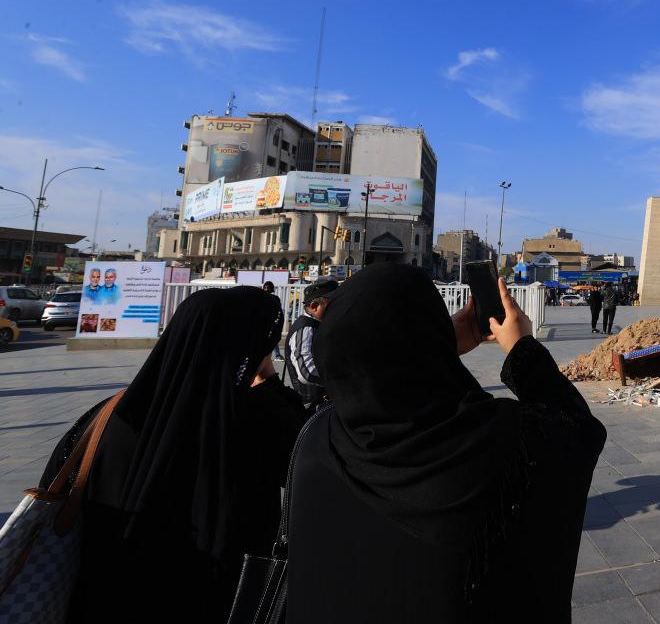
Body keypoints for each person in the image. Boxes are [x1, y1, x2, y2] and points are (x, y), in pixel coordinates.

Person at [286, 264, 606, 622]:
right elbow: (578, 432)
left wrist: (430, 348)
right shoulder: (499, 446)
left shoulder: (318, 440)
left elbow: (381, 373)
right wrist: (521, 348)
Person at [39, 287, 308, 623]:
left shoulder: (111, 413)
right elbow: (300, 454)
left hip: (110, 597)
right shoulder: (255, 417)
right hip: (213, 600)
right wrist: (267, 378)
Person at [283, 278, 339, 407]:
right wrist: (338, 381)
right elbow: (306, 372)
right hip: (314, 404)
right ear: (314, 306)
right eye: (333, 304)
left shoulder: (318, 325)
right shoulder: (306, 328)